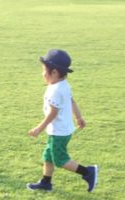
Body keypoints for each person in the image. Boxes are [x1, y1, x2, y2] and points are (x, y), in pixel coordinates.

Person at [27, 49, 98, 192]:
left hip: (59, 132)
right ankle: (46, 182)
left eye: (44, 70)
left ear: (54, 72)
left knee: (60, 160)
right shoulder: (63, 84)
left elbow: (52, 113)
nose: (42, 74)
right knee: (48, 156)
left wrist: (39, 128)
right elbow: (71, 101)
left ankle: (88, 172)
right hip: (62, 130)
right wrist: (79, 117)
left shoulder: (55, 90)